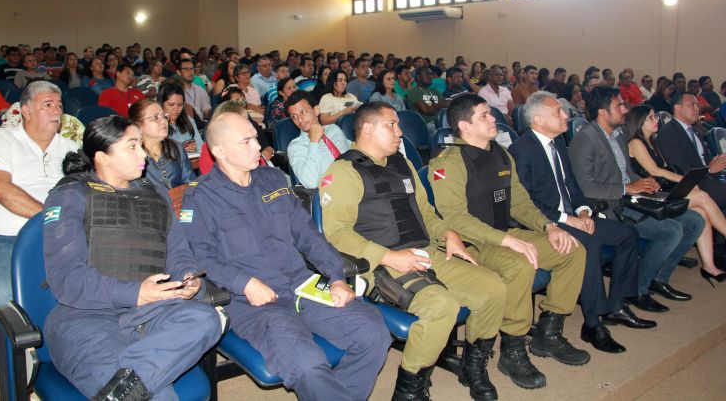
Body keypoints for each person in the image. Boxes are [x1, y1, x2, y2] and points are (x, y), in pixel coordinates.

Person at [179, 111, 390, 401]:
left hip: (302, 285)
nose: (257, 147)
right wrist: (244, 283)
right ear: (219, 151)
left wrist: (337, 276)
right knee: (306, 363)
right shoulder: (200, 196)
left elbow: (308, 235)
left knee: (374, 334)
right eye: (246, 142)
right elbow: (199, 255)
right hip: (254, 303)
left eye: (256, 138)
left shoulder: (273, 179)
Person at [321, 102, 511, 400]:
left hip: (426, 251)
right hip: (381, 264)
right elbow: (337, 234)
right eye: (391, 126)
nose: (400, 132)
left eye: (398, 125)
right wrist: (389, 256)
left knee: (493, 288)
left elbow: (426, 212)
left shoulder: (403, 163)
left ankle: (473, 367)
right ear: (368, 130)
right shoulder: (344, 171)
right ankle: (409, 389)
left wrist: (447, 233)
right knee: (441, 306)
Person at [42, 116, 222, 400]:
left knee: (206, 319)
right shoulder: (69, 196)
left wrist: (188, 277)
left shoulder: (157, 195)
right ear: (102, 157)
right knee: (157, 394)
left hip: (154, 312)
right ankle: (131, 386)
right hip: (86, 317)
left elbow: (178, 253)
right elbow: (67, 279)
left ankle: (121, 391)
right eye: (132, 146)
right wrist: (137, 292)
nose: (144, 155)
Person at [429, 94, 590, 387]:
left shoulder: (502, 154)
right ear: (464, 125)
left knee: (571, 249)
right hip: (472, 243)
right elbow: (454, 219)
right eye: (484, 116)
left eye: (491, 114)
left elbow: (520, 203)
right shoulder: (449, 162)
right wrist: (505, 240)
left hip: (504, 234)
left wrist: (549, 226)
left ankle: (548, 333)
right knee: (520, 264)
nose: (494, 119)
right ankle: (513, 349)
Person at [510, 92, 654, 354]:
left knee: (627, 235)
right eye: (559, 112)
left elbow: (573, 188)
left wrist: (584, 211)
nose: (566, 115)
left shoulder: (558, 144)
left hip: (572, 215)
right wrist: (568, 219)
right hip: (545, 222)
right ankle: (592, 322)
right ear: (539, 119)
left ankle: (617, 305)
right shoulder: (521, 151)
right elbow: (525, 203)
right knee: (589, 244)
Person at [568, 87, 705, 312]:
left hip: (632, 198)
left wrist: (645, 182)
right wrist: (627, 188)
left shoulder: (618, 134)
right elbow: (586, 187)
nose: (625, 109)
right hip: (611, 206)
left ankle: (658, 278)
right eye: (619, 106)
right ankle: (638, 290)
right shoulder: (585, 139)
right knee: (671, 231)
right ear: (603, 112)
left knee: (694, 220)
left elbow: (627, 172)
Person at [0, 81, 78, 317]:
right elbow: (0, 189)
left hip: (58, 238)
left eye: (59, 105)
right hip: (1, 237)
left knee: (93, 289)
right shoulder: (1, 139)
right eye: (48, 105)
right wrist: (52, 218)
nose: (57, 111)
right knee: (1, 295)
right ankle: (26, 353)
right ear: (25, 111)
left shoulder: (72, 148)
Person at [625, 105, 726, 283]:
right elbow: (656, 171)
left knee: (702, 213)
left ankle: (709, 266)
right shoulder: (635, 142)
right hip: (648, 195)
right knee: (702, 197)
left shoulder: (652, 141)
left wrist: (686, 183)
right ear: (639, 122)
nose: (656, 120)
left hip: (660, 191)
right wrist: (685, 180)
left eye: (655, 117)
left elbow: (664, 171)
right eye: (650, 118)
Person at [656, 92, 726, 210]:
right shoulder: (668, 133)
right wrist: (709, 169)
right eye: (691, 105)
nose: (696, 109)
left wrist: (718, 160)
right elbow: (681, 169)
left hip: (708, 178)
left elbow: (704, 157)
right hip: (693, 185)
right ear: (677, 107)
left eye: (697, 105)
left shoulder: (695, 131)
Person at [286, 91, 350, 189]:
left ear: (316, 111)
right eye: (294, 116)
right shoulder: (295, 147)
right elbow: (311, 182)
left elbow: (351, 152)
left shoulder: (334, 129)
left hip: (352, 181)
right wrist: (314, 142)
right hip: (330, 193)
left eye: (303, 112)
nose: (300, 120)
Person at [129, 99, 195, 190]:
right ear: (137, 125)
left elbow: (191, 182)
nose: (163, 121)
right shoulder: (131, 155)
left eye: (164, 116)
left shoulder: (176, 148)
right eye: (155, 117)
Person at [158, 82, 203, 155]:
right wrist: (182, 149)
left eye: (180, 105)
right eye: (171, 104)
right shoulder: (157, 124)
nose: (176, 109)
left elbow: (201, 147)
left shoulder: (189, 121)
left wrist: (195, 148)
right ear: (161, 104)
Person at [407, 66, 447, 132]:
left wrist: (432, 106)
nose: (430, 76)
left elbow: (445, 105)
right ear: (418, 77)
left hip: (440, 121)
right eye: (427, 74)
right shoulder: (414, 92)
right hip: (426, 124)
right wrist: (440, 106)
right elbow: (427, 111)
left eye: (431, 74)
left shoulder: (435, 91)